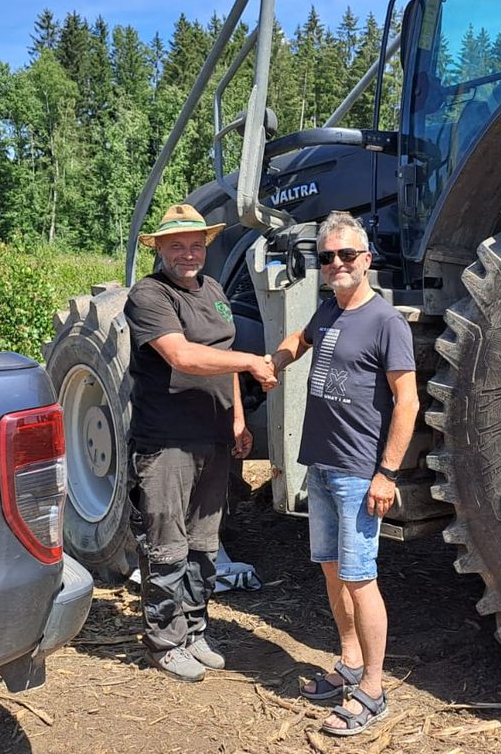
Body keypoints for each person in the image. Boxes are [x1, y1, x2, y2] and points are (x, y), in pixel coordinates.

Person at [271, 211, 418, 736]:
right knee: (333, 571)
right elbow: (299, 338)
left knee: (361, 580)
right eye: (327, 257)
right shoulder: (328, 312)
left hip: (360, 473)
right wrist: (277, 361)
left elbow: (407, 401)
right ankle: (349, 663)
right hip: (322, 467)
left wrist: (388, 473)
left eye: (346, 255)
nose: (336, 264)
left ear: (366, 260)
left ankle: (373, 689)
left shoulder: (386, 322)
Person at [124, 203, 278, 683]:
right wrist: (253, 362)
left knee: (203, 545)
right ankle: (164, 641)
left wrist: (237, 420)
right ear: (160, 249)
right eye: (177, 246)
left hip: (212, 436)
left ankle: (193, 631)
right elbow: (182, 355)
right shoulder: (149, 295)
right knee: (166, 545)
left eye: (195, 245)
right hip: (168, 442)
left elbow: (222, 355)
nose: (187, 253)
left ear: (205, 247)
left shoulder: (212, 290)